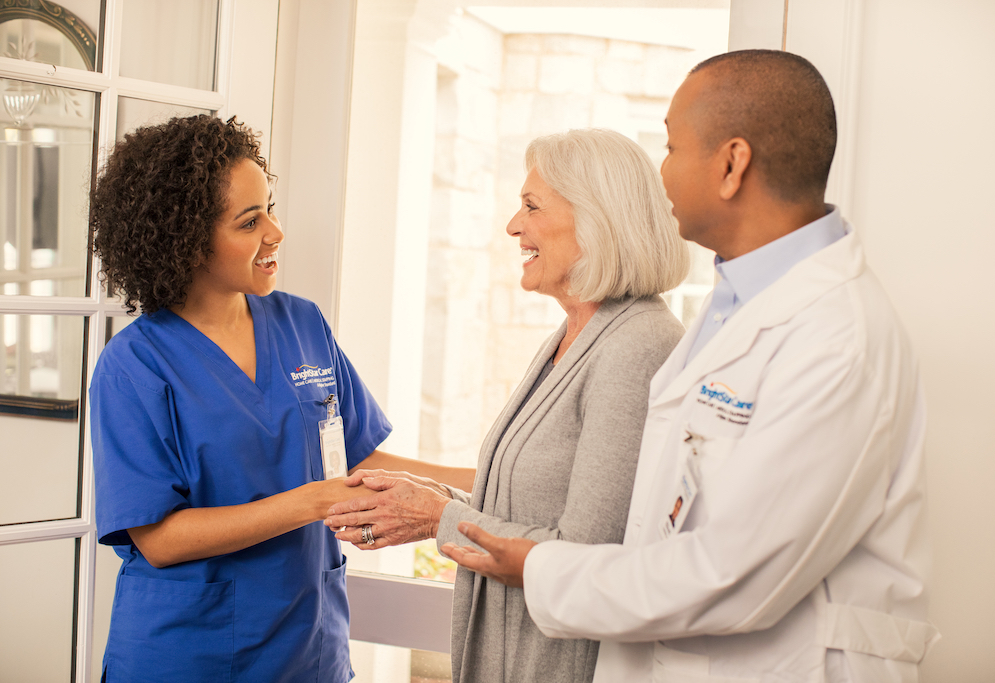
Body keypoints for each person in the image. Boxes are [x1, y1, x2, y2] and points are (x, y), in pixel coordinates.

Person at [441, 50, 940, 682]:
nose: (661, 174)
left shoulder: (840, 339)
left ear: (732, 165)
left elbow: (733, 574)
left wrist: (534, 565)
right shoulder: (730, 309)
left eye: (672, 148)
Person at [88, 114, 471, 682]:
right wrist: (312, 502)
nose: (275, 233)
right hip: (190, 658)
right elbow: (159, 539)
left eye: (270, 208)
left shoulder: (301, 322)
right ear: (187, 241)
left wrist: (485, 481)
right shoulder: (135, 367)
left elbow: (354, 459)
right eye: (249, 222)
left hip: (309, 652)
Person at [326, 129, 689, 683]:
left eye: (531, 206)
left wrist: (436, 517)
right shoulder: (573, 335)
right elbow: (535, 506)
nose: (513, 225)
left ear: (597, 220)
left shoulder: (638, 344)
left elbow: (581, 557)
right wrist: (437, 500)